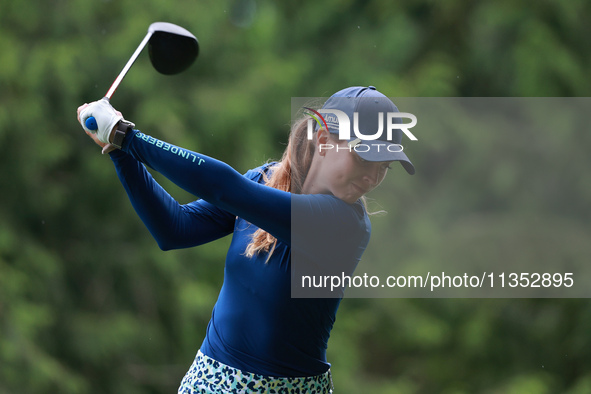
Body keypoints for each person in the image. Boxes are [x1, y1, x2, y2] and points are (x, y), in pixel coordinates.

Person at [77, 86, 415, 393]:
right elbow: (174, 230)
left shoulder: (346, 224)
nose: (372, 176)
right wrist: (120, 151)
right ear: (324, 140)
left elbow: (227, 189)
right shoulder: (266, 180)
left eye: (384, 166)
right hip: (208, 382)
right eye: (363, 156)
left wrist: (128, 137)